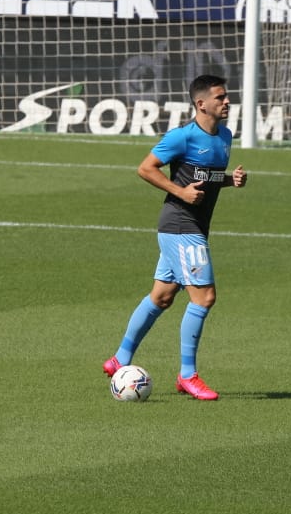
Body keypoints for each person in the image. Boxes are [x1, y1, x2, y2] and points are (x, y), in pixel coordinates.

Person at [102, 74, 248, 401]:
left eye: (226, 97)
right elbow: (146, 168)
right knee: (204, 297)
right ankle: (187, 376)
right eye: (220, 97)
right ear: (201, 104)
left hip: (188, 228)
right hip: (181, 226)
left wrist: (229, 181)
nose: (227, 102)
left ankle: (119, 360)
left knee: (162, 297)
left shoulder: (224, 135)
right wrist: (179, 191)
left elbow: (206, 178)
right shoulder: (182, 137)